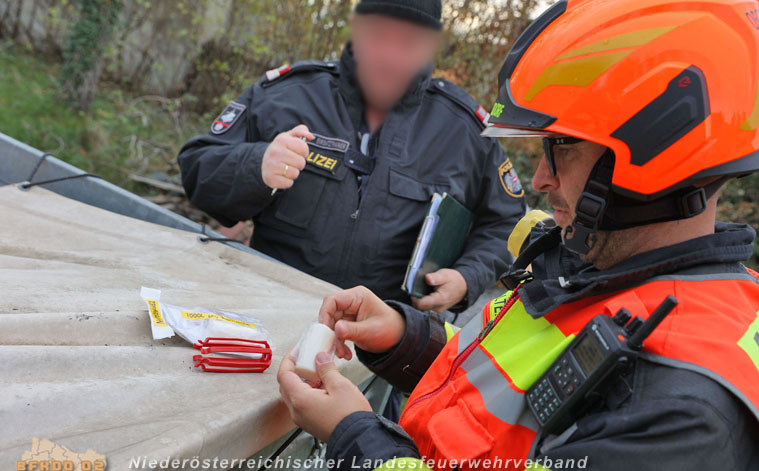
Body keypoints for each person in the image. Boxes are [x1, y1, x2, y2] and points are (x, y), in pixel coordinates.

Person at [276, 0, 759, 471]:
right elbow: (510, 396)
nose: (542, 179)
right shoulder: (607, 274)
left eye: (563, 149)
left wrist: (355, 438)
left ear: (656, 160)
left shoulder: (687, 416)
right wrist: (403, 340)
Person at [178, 0, 526, 314]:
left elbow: (505, 220)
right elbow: (198, 169)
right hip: (266, 312)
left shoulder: (464, 130)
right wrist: (257, 164)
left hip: (382, 344)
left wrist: (467, 277)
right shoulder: (287, 95)